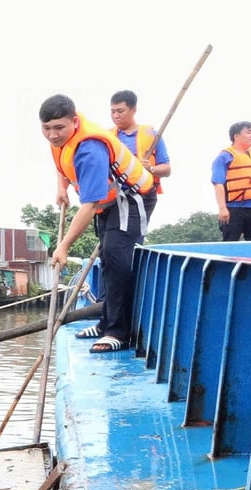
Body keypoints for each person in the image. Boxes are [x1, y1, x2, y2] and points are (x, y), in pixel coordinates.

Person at [41, 94, 156, 354]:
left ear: (73, 121)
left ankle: (118, 332)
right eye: (46, 128)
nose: (52, 135)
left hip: (132, 199)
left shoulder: (90, 148)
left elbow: (90, 205)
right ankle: (106, 323)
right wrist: (62, 188)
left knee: (117, 259)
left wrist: (64, 246)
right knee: (106, 256)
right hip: (109, 201)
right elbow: (60, 162)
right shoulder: (60, 138)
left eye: (58, 128)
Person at [212, 121, 251, 241]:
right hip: (233, 209)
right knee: (230, 242)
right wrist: (222, 208)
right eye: (248, 132)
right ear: (236, 136)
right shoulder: (224, 157)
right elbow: (218, 183)